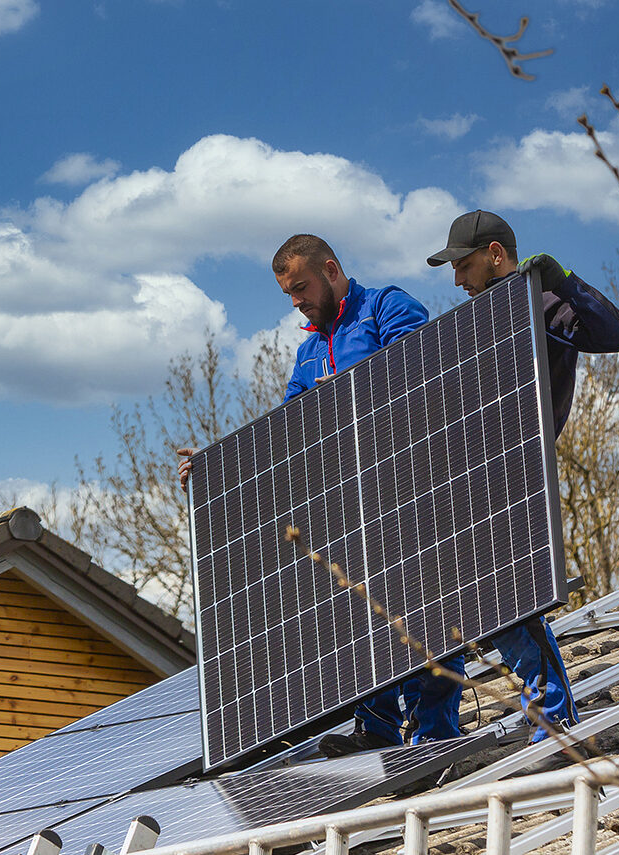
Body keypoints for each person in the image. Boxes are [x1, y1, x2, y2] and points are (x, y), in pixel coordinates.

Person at [177, 233, 466, 756]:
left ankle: (436, 733)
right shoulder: (309, 352)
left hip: (412, 490)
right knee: (362, 615)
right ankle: (375, 727)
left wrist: (345, 404)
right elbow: (283, 435)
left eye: (301, 287)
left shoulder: (386, 308)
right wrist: (214, 466)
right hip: (353, 508)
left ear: (331, 269)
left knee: (428, 611)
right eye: (287, 294)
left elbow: (418, 375)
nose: (296, 302)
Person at [427, 209, 619, 744]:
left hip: (517, 477)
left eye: (465, 265)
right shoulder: (471, 322)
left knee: (507, 602)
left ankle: (554, 718)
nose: (457, 280)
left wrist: (565, 281)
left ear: (496, 255)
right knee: (438, 601)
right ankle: (435, 732)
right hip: (464, 477)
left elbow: (616, 335)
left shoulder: (545, 305)